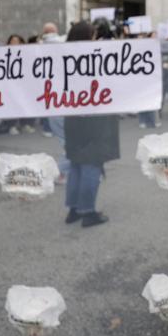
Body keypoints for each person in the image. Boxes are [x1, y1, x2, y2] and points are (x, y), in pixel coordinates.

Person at [61, 19, 119, 227]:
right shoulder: (96, 56)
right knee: (91, 163)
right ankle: (88, 211)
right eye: (93, 35)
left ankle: (74, 209)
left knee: (76, 163)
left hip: (73, 118)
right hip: (93, 118)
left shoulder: (62, 56)